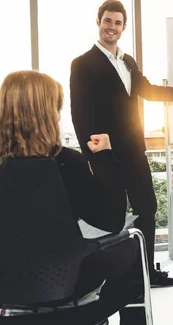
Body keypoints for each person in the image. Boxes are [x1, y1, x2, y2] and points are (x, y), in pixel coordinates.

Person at [70, 0, 173, 288]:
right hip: (105, 155)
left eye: (118, 23)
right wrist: (90, 153)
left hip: (133, 149)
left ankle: (147, 274)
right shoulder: (83, 64)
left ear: (123, 28)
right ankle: (117, 278)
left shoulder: (128, 61)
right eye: (108, 21)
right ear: (98, 22)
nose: (112, 27)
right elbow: (79, 112)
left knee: (146, 209)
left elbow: (147, 90)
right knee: (113, 216)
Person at [0, 70, 144, 323]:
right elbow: (112, 222)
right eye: (56, 109)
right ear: (47, 114)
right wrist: (103, 158)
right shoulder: (66, 162)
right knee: (132, 245)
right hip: (67, 283)